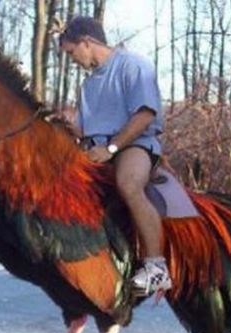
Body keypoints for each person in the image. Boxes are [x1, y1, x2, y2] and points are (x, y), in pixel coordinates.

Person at [59, 16, 172, 297]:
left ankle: (157, 269)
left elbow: (145, 115)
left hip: (134, 144)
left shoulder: (133, 65)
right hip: (97, 150)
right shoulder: (88, 85)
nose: (72, 61)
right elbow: (83, 130)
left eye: (72, 53)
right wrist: (63, 124)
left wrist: (111, 148)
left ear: (87, 42)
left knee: (128, 183)